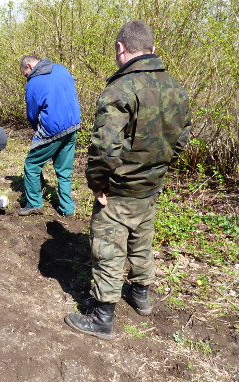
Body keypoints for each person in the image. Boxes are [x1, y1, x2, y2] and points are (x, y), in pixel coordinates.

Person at [65, 21, 192, 339]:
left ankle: (103, 317)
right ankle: (141, 296)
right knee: (141, 242)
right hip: (150, 187)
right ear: (150, 48)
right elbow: (181, 141)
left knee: (108, 248)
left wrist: (97, 183)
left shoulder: (121, 88)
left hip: (118, 189)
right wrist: (155, 173)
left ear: (121, 48)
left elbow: (105, 147)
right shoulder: (175, 87)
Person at [18, 55, 81, 217]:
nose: (27, 78)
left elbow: (32, 114)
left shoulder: (33, 83)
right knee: (64, 170)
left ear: (29, 67)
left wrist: (37, 130)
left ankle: (34, 203)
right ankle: (68, 209)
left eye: (25, 74)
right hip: (73, 125)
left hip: (53, 129)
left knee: (31, 164)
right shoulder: (62, 69)